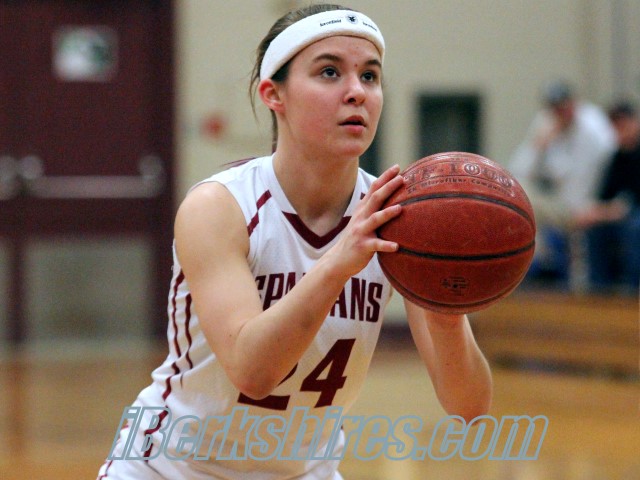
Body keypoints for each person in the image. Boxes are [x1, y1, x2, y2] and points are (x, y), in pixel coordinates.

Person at [97, 4, 492, 479]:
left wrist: (445, 309)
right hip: (172, 468)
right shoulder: (219, 208)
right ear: (273, 94)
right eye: (329, 72)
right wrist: (338, 263)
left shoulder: (400, 218)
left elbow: (469, 407)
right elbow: (253, 372)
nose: (356, 91)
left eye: (370, 76)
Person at [509, 80, 617, 285]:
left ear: (574, 102)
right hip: (562, 203)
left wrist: (587, 209)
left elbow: (598, 176)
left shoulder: (593, 127)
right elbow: (518, 171)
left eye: (563, 105)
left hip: (591, 203)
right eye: (555, 107)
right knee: (518, 197)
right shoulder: (546, 122)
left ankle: (578, 283)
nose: (560, 112)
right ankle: (535, 266)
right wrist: (539, 145)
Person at [574, 102, 640, 291]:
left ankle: (633, 289)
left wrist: (614, 210)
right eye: (615, 126)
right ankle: (599, 289)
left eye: (623, 124)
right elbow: (605, 196)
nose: (619, 131)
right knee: (594, 229)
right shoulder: (617, 157)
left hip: (633, 214)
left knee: (634, 227)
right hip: (620, 213)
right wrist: (594, 212)